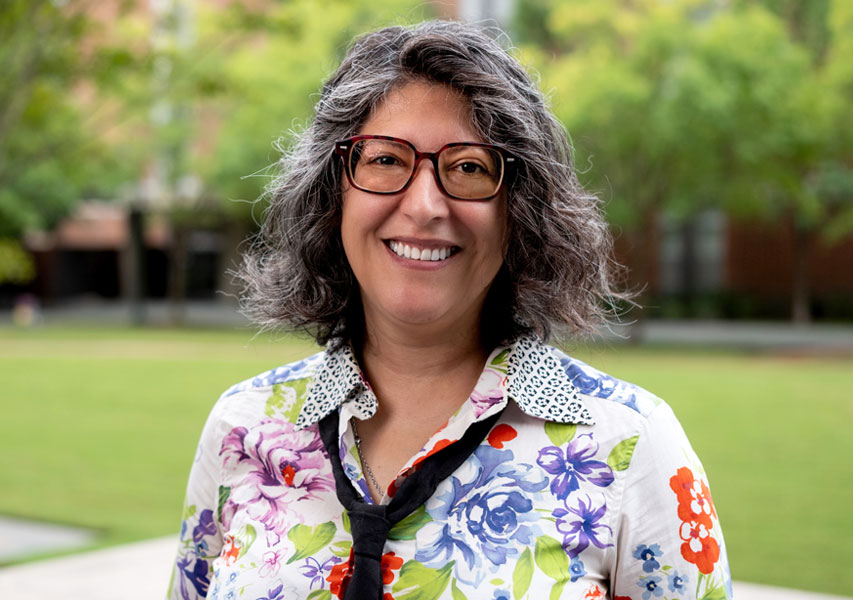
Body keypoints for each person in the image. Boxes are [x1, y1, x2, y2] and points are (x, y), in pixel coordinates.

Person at [169, 20, 732, 600]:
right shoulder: (242, 427)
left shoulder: (632, 445)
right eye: (385, 160)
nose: (424, 206)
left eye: (468, 167)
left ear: (520, 211)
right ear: (333, 193)